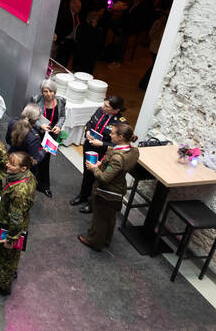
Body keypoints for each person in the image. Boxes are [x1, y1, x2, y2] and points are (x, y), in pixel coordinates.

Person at [79, 123, 140, 252]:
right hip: (119, 188)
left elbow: (105, 178)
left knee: (100, 218)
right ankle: (106, 238)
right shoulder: (134, 151)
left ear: (121, 137)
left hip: (107, 190)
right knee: (110, 216)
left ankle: (95, 242)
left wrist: (94, 168)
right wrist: (105, 163)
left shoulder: (117, 157)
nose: (110, 135)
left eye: (112, 133)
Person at [0, 151, 36, 296]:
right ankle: (6, 267)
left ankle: (3, 286)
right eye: (8, 162)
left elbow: (16, 219)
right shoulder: (27, 176)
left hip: (12, 228)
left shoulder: (19, 192)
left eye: (12, 164)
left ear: (23, 168)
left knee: (8, 255)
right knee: (10, 256)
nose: (7, 165)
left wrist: (10, 239)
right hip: (15, 222)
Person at [70, 96, 127, 214]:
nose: (102, 107)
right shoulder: (100, 111)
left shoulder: (121, 123)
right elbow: (90, 123)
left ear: (116, 110)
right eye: (104, 104)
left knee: (98, 177)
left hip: (104, 152)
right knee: (87, 172)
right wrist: (88, 132)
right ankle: (83, 195)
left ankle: (92, 203)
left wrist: (102, 143)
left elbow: (118, 143)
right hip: (90, 147)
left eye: (107, 106)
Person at [29, 80, 67, 198]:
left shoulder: (60, 101)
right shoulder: (36, 100)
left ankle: (44, 185)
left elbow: (62, 116)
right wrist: (39, 125)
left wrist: (58, 126)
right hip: (37, 133)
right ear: (41, 92)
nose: (49, 94)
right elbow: (29, 116)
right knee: (34, 157)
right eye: (45, 91)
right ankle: (29, 182)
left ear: (55, 91)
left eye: (51, 91)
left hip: (51, 135)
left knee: (45, 160)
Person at [6, 103, 45, 169]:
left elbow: (8, 140)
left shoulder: (12, 122)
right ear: (37, 119)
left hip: (11, 157)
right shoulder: (34, 137)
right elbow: (34, 160)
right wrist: (43, 151)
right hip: (23, 165)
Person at [54, 0, 82, 68]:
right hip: (64, 41)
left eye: (79, 7)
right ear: (71, 5)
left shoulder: (78, 16)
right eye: (77, 6)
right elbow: (58, 27)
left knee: (66, 61)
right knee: (59, 61)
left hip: (72, 42)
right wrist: (60, 39)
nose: (79, 8)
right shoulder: (64, 13)